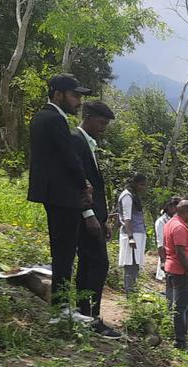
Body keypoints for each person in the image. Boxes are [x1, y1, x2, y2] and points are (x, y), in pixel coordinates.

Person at [26, 74, 94, 323]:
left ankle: (61, 306)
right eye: (74, 95)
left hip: (52, 192)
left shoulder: (42, 117)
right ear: (58, 94)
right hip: (63, 194)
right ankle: (62, 309)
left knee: (61, 249)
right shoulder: (55, 119)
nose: (78, 101)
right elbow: (69, 157)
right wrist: (84, 184)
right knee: (65, 251)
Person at [68, 100, 120, 338]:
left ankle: (85, 313)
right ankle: (91, 316)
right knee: (98, 264)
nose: (103, 128)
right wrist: (89, 215)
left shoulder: (89, 144)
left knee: (90, 265)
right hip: (85, 217)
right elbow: (78, 182)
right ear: (87, 117)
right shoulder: (76, 141)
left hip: (95, 217)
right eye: (101, 122)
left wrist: (104, 218)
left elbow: (96, 187)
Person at [162, 200, 188, 350]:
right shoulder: (178, 227)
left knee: (187, 305)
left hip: (174, 269)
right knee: (181, 307)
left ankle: (183, 336)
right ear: (184, 211)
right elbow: (180, 252)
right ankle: (180, 342)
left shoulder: (171, 223)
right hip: (180, 271)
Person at [115, 172, 149, 297]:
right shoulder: (127, 196)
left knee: (135, 264)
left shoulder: (133, 195)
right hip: (132, 234)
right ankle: (130, 292)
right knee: (130, 264)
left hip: (138, 234)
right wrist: (130, 238)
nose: (143, 187)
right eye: (141, 184)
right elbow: (127, 218)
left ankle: (132, 290)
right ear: (134, 183)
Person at [154, 196, 181, 283]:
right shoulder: (161, 222)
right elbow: (160, 242)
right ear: (169, 207)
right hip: (167, 254)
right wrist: (163, 260)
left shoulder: (178, 220)